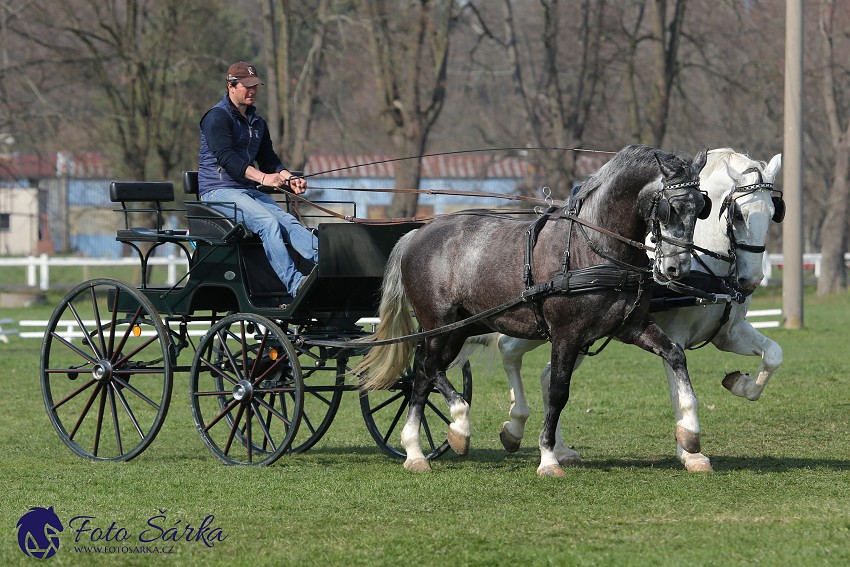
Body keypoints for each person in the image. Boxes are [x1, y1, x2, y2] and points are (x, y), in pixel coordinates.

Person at [197, 60, 318, 299]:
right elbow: (227, 159)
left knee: (287, 221)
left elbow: (269, 159)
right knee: (268, 223)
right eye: (246, 86)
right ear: (231, 86)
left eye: (255, 86)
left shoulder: (257, 123)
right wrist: (263, 177)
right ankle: (296, 284)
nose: (252, 91)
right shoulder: (216, 118)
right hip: (218, 191)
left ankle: (327, 262)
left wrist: (289, 177)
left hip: (246, 191)